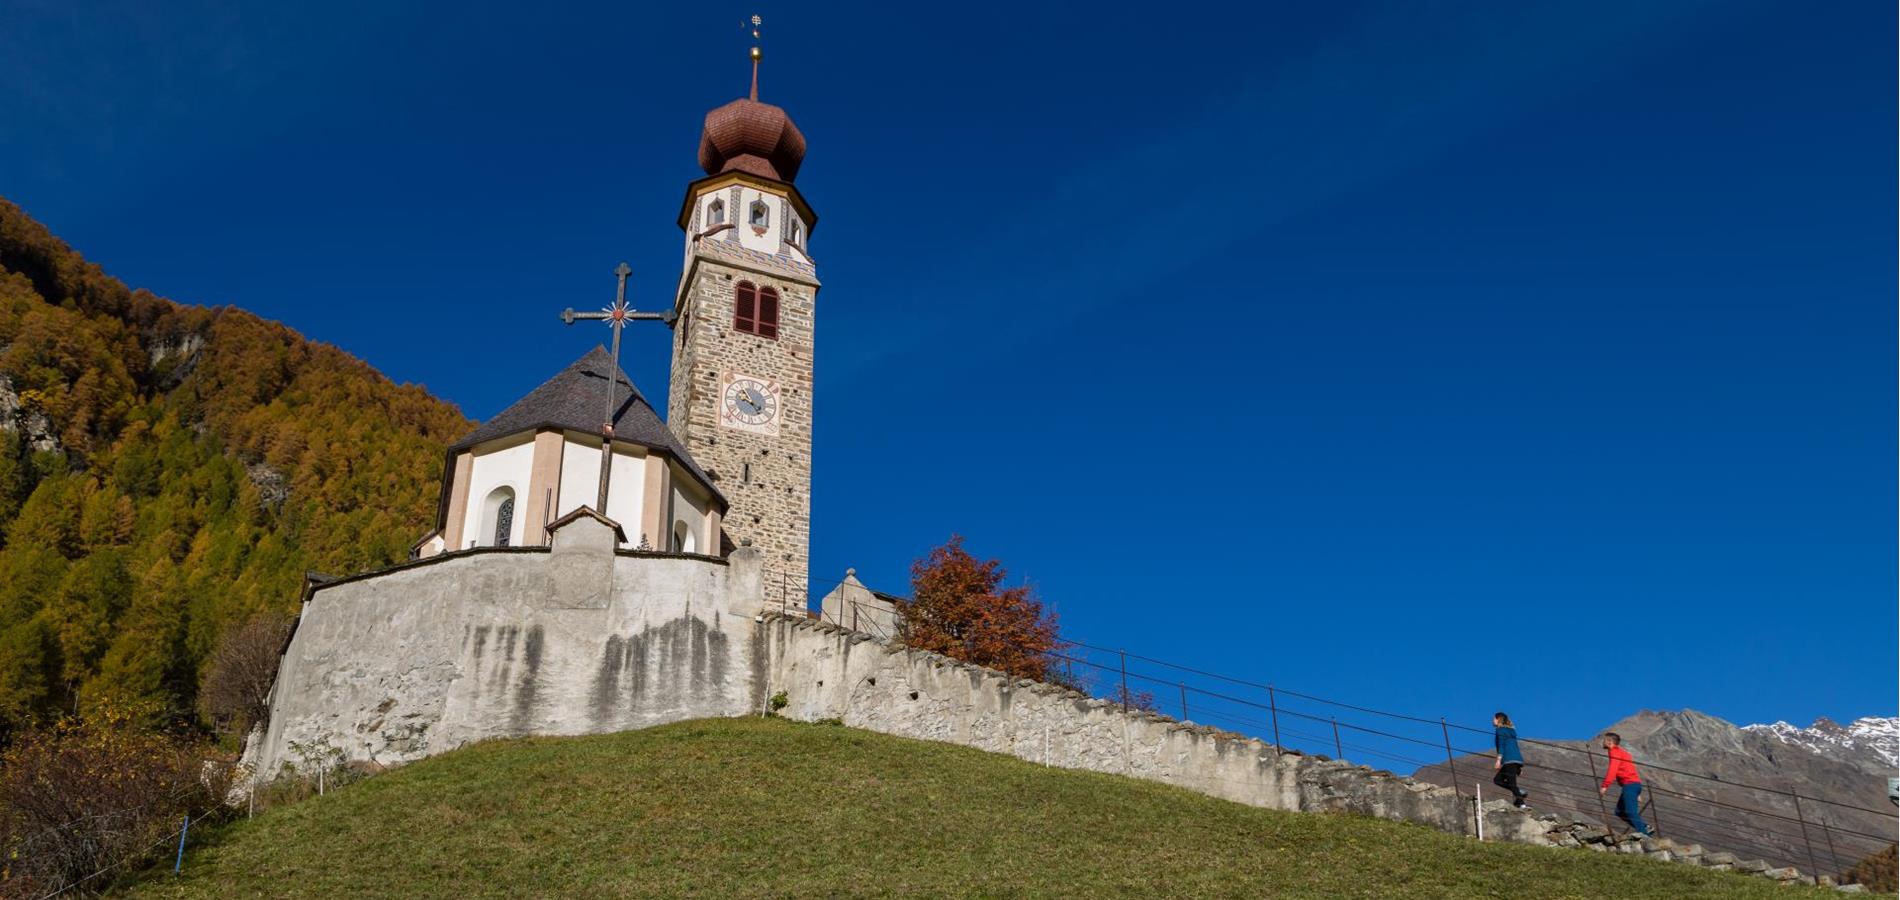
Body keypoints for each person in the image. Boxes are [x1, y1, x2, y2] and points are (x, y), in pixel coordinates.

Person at [1598, 732, 1652, 837]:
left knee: (1630, 811)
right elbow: (1630, 769)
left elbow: (1613, 769)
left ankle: (1644, 834)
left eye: (1604, 740)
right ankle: (1645, 827)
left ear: (1609, 742)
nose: (1602, 742)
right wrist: (1637, 792)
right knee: (1619, 811)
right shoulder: (1623, 753)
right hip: (1633, 784)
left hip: (1630, 785)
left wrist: (1605, 786)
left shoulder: (1614, 752)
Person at [1492, 712, 1529, 809]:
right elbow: (1516, 747)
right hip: (1516, 760)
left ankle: (1521, 804)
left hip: (1508, 760)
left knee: (1511, 783)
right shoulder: (1511, 731)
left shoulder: (1500, 730)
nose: (1492, 721)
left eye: (1494, 719)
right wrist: (1520, 766)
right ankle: (1518, 791)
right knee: (1498, 780)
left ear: (1498, 719)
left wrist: (1498, 760)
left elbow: (1501, 745)